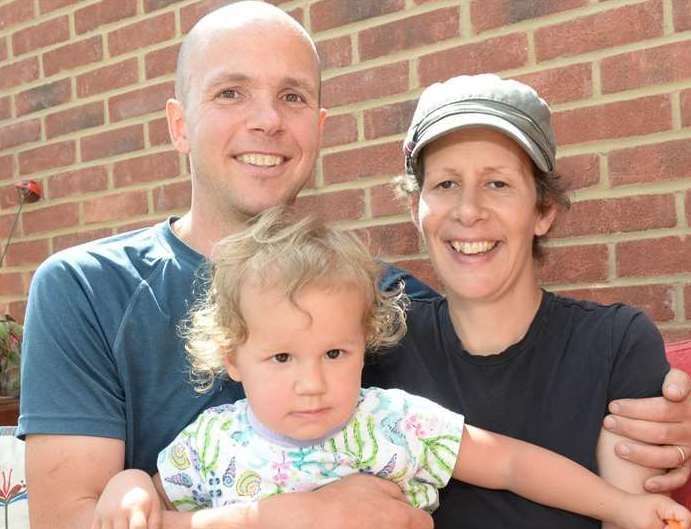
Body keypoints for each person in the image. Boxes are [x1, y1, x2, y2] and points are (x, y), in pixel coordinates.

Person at [16, 2, 689, 528]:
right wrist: (284, 518)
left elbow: (500, 436)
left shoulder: (382, 301)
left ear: (319, 123)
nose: (267, 122)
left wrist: (655, 416)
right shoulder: (85, 288)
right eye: (230, 93)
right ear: (177, 124)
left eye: (292, 97)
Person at [93, 207, 689, 529]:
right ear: (234, 360)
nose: (312, 382)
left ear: (364, 343)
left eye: (335, 353)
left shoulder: (392, 421)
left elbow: (508, 462)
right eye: (281, 357)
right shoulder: (211, 441)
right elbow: (154, 499)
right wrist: (127, 484)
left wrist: (622, 507)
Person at [364, 73, 691, 529]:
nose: (468, 210)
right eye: (445, 185)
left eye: (497, 183)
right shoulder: (377, 344)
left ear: (543, 210)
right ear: (416, 208)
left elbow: (633, 517)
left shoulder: (615, 344)